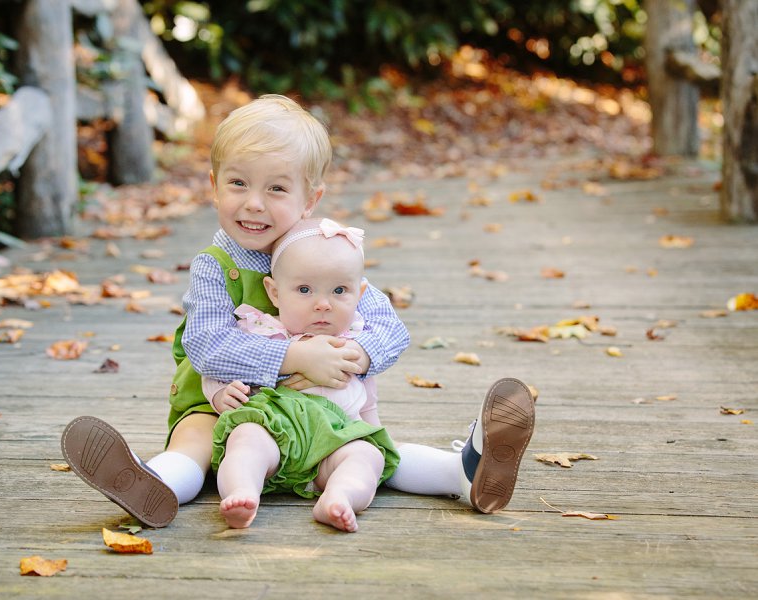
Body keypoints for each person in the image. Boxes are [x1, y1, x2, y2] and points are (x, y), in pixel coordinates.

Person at [61, 94, 535, 529]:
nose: (253, 203)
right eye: (238, 183)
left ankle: (462, 472)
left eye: (276, 189)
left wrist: (356, 355)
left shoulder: (326, 253)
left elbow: (389, 326)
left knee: (370, 452)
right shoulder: (216, 268)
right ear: (214, 184)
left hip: (322, 414)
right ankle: (151, 484)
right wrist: (295, 359)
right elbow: (206, 345)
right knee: (196, 445)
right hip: (222, 403)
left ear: (311, 199)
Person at [205, 217, 398, 532]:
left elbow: (367, 402)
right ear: (275, 293)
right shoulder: (261, 330)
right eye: (304, 290)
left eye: (339, 291)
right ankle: (242, 491)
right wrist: (218, 393)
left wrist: (371, 435)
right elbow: (225, 364)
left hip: (332, 444)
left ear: (359, 294)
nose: (322, 304)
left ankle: (339, 496)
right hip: (273, 432)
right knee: (246, 440)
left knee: (367, 458)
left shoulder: (353, 345)